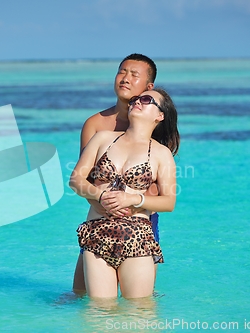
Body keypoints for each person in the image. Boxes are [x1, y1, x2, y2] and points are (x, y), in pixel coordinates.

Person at [69, 88, 179, 298]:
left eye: (146, 100)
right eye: (136, 99)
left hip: (137, 236)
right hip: (97, 233)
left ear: (159, 115)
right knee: (99, 312)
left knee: (139, 314)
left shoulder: (161, 153)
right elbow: (75, 180)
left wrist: (133, 198)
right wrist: (100, 196)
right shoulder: (103, 139)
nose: (138, 101)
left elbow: (169, 202)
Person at [73, 53, 159, 293]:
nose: (125, 78)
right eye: (122, 72)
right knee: (81, 295)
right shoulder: (96, 124)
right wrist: (103, 203)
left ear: (148, 87)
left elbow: (159, 185)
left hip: (141, 222)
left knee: (141, 302)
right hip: (98, 218)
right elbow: (85, 176)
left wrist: (131, 205)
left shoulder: (155, 125)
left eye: (134, 75)